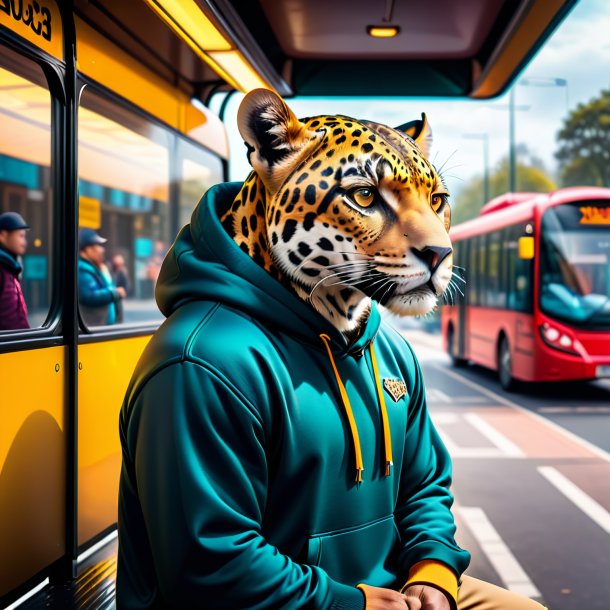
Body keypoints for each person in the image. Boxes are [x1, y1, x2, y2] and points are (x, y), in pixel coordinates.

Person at [117, 90, 545, 610]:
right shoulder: (202, 361)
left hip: (393, 590)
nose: (434, 241)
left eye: (433, 202)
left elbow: (425, 484)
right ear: (274, 165)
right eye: (365, 196)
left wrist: (432, 572)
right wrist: (357, 605)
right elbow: (212, 568)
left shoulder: (388, 349)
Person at [78, 228, 125, 327]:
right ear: (88, 249)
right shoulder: (82, 269)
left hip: (102, 327)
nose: (102, 249)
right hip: (93, 329)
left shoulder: (95, 267)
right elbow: (89, 295)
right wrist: (115, 293)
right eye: (98, 245)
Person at [0, 211, 30, 330]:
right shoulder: (3, 269)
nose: (24, 242)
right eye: (20, 236)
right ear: (2, 235)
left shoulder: (11, 267)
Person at [111, 254, 131, 323]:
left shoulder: (123, 272)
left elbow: (127, 284)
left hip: (118, 295)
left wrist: (124, 292)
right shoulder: (112, 271)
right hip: (113, 294)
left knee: (118, 315)